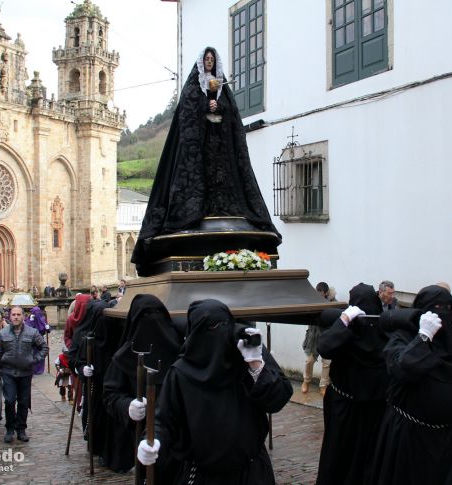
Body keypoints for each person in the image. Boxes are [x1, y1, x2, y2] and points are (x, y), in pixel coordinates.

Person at [131, 46, 281, 274]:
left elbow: (232, 114)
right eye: (206, 59)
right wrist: (204, 106)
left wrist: (218, 106)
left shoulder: (222, 87)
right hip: (199, 149)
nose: (209, 62)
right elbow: (186, 114)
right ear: (202, 62)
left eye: (212, 59)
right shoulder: (193, 87)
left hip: (221, 147)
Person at [137, 299, 293, 484]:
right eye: (213, 327)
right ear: (196, 333)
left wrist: (256, 364)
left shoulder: (248, 352)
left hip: (252, 471)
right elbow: (163, 419)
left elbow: (278, 397)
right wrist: (152, 441)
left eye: (225, 324)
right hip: (205, 475)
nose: (221, 331)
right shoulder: (181, 373)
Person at [368, 285, 452, 485]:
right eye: (435, 307)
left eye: (447, 307)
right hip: (410, 436)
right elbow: (402, 369)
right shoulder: (404, 336)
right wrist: (423, 338)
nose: (442, 312)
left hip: (450, 437)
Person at [103, 294, 184, 478]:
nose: (152, 321)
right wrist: (127, 406)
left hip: (178, 439)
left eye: (156, 314)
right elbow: (110, 395)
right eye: (145, 316)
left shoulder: (180, 351)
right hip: (139, 437)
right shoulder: (123, 358)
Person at [316, 283, 388, 485]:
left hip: (369, 408)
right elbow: (325, 347)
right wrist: (345, 321)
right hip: (347, 405)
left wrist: (343, 321)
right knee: (343, 453)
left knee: (362, 455)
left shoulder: (382, 329)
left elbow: (325, 345)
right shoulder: (348, 331)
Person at [69, 299, 123, 467]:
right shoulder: (83, 334)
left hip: (113, 384)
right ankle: (96, 446)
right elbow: (74, 358)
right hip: (95, 386)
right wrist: (82, 368)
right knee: (95, 418)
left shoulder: (116, 333)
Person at [0, 305, 49, 443]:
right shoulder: (3, 333)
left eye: (18, 314)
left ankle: (21, 428)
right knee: (10, 401)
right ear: (9, 317)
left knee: (23, 402)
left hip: (25, 372)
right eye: (13, 314)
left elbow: (44, 347)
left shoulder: (32, 332)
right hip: (8, 372)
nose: (16, 317)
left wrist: (35, 360)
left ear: (23, 316)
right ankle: (10, 428)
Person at [301, 282, 333, 394]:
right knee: (309, 360)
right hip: (313, 337)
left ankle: (323, 385)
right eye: (317, 293)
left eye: (321, 294)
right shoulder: (311, 301)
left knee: (327, 362)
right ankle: (306, 381)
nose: (319, 296)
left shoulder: (333, 303)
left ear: (325, 293)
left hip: (326, 337)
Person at [24, 306, 51, 375]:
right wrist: (31, 321)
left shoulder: (42, 319)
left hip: (40, 339)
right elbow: (27, 328)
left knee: (41, 354)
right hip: (31, 340)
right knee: (32, 354)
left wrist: (47, 328)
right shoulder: (29, 319)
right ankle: (33, 369)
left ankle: (40, 369)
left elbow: (46, 329)